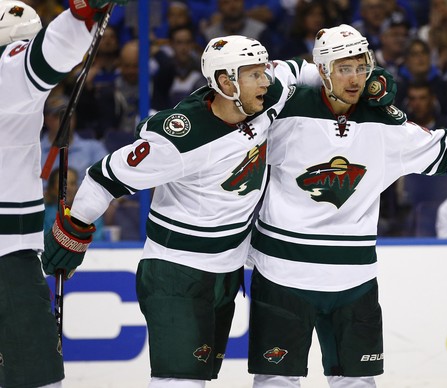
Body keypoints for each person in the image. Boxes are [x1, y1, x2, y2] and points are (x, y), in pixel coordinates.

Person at [247, 24, 447, 388]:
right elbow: (255, 85)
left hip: (352, 280)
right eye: (343, 68)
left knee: (356, 382)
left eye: (361, 66)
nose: (355, 78)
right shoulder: (285, 111)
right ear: (322, 70)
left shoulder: (385, 123)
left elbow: (442, 149)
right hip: (283, 274)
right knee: (276, 380)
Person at [39, 34, 330, 387]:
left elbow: (299, 71)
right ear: (226, 82)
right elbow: (103, 178)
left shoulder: (265, 96)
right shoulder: (179, 139)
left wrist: (362, 82)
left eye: (263, 71)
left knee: (200, 378)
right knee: (179, 383)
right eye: (254, 74)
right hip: (177, 275)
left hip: (225, 274)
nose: (265, 81)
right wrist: (73, 234)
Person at [0, 1, 126, 388]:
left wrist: (79, 19)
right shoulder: (10, 74)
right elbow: (48, 52)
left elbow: (45, 55)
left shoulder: (11, 77)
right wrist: (81, 16)